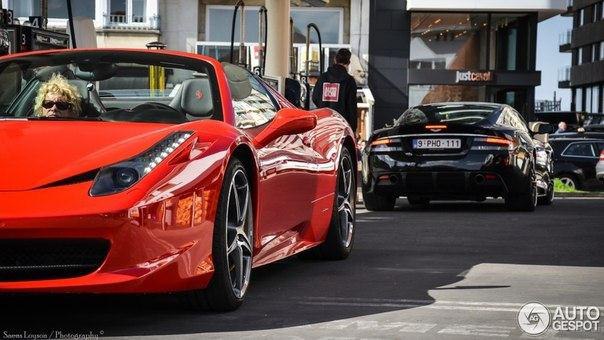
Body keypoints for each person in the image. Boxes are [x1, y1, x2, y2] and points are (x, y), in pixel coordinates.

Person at [312, 48, 358, 133]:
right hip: (341, 126)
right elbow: (352, 107)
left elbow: (315, 98)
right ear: (348, 63)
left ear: (334, 59)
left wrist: (324, 106)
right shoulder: (349, 81)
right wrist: (353, 129)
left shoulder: (323, 77)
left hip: (323, 124)